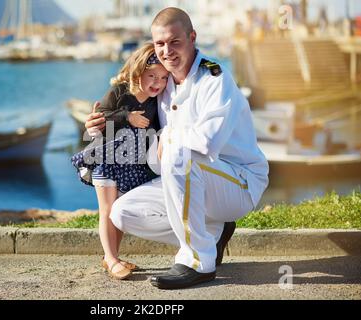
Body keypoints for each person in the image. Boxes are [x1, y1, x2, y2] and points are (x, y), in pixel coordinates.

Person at [85, 7, 269, 289]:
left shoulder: (214, 79)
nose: (167, 51)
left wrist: (168, 138)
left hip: (238, 181)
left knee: (178, 151)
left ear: (192, 37)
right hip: (191, 178)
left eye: (175, 41)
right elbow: (129, 114)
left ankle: (197, 261)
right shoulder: (163, 82)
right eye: (159, 43)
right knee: (122, 213)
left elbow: (208, 143)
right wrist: (98, 126)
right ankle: (212, 233)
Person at [72, 43, 169, 280]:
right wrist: (127, 117)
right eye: (152, 76)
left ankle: (111, 257)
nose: (158, 82)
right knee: (106, 209)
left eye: (164, 77)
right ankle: (112, 259)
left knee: (120, 210)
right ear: (138, 72)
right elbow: (100, 116)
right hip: (107, 157)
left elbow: (155, 129)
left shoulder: (155, 102)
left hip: (132, 162)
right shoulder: (119, 91)